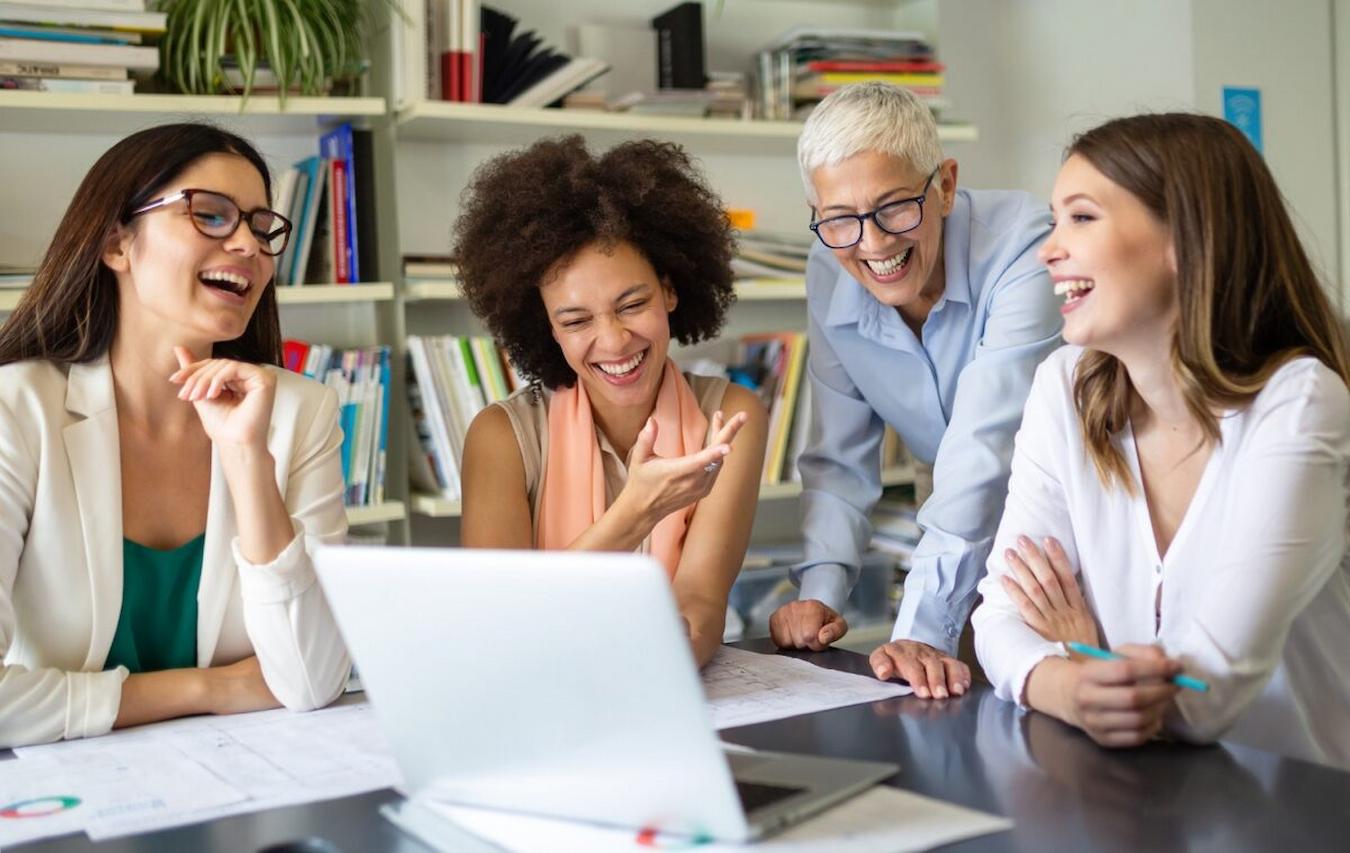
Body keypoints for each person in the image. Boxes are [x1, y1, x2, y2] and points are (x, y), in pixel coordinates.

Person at [972, 113, 1350, 769]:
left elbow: (1203, 697)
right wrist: (1071, 684)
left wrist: (1082, 652)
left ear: (1185, 239)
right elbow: (1000, 616)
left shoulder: (1299, 404)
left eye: (1081, 217)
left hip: (1305, 804)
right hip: (1146, 797)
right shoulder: (1065, 387)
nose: (1047, 250)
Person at [0, 123, 351, 749]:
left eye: (261, 226)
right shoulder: (16, 410)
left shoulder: (302, 412)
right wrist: (206, 690)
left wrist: (246, 459)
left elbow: (311, 679)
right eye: (210, 215)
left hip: (251, 780)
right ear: (116, 243)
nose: (248, 244)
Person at [770, 82, 1062, 698]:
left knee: (1053, 707)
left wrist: (922, 629)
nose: (873, 243)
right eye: (840, 219)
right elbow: (839, 452)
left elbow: (984, 450)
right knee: (953, 709)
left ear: (945, 186)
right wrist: (820, 592)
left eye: (896, 207)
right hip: (951, 511)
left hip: (1063, 513)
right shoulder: (828, 267)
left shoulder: (1024, 247)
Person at [453, 136, 768, 668]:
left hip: (663, 682)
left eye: (632, 304)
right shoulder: (500, 439)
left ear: (669, 291)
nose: (615, 341)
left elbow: (700, 601)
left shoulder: (731, 418)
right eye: (576, 320)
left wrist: (657, 667)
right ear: (547, 328)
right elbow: (500, 625)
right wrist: (639, 509)